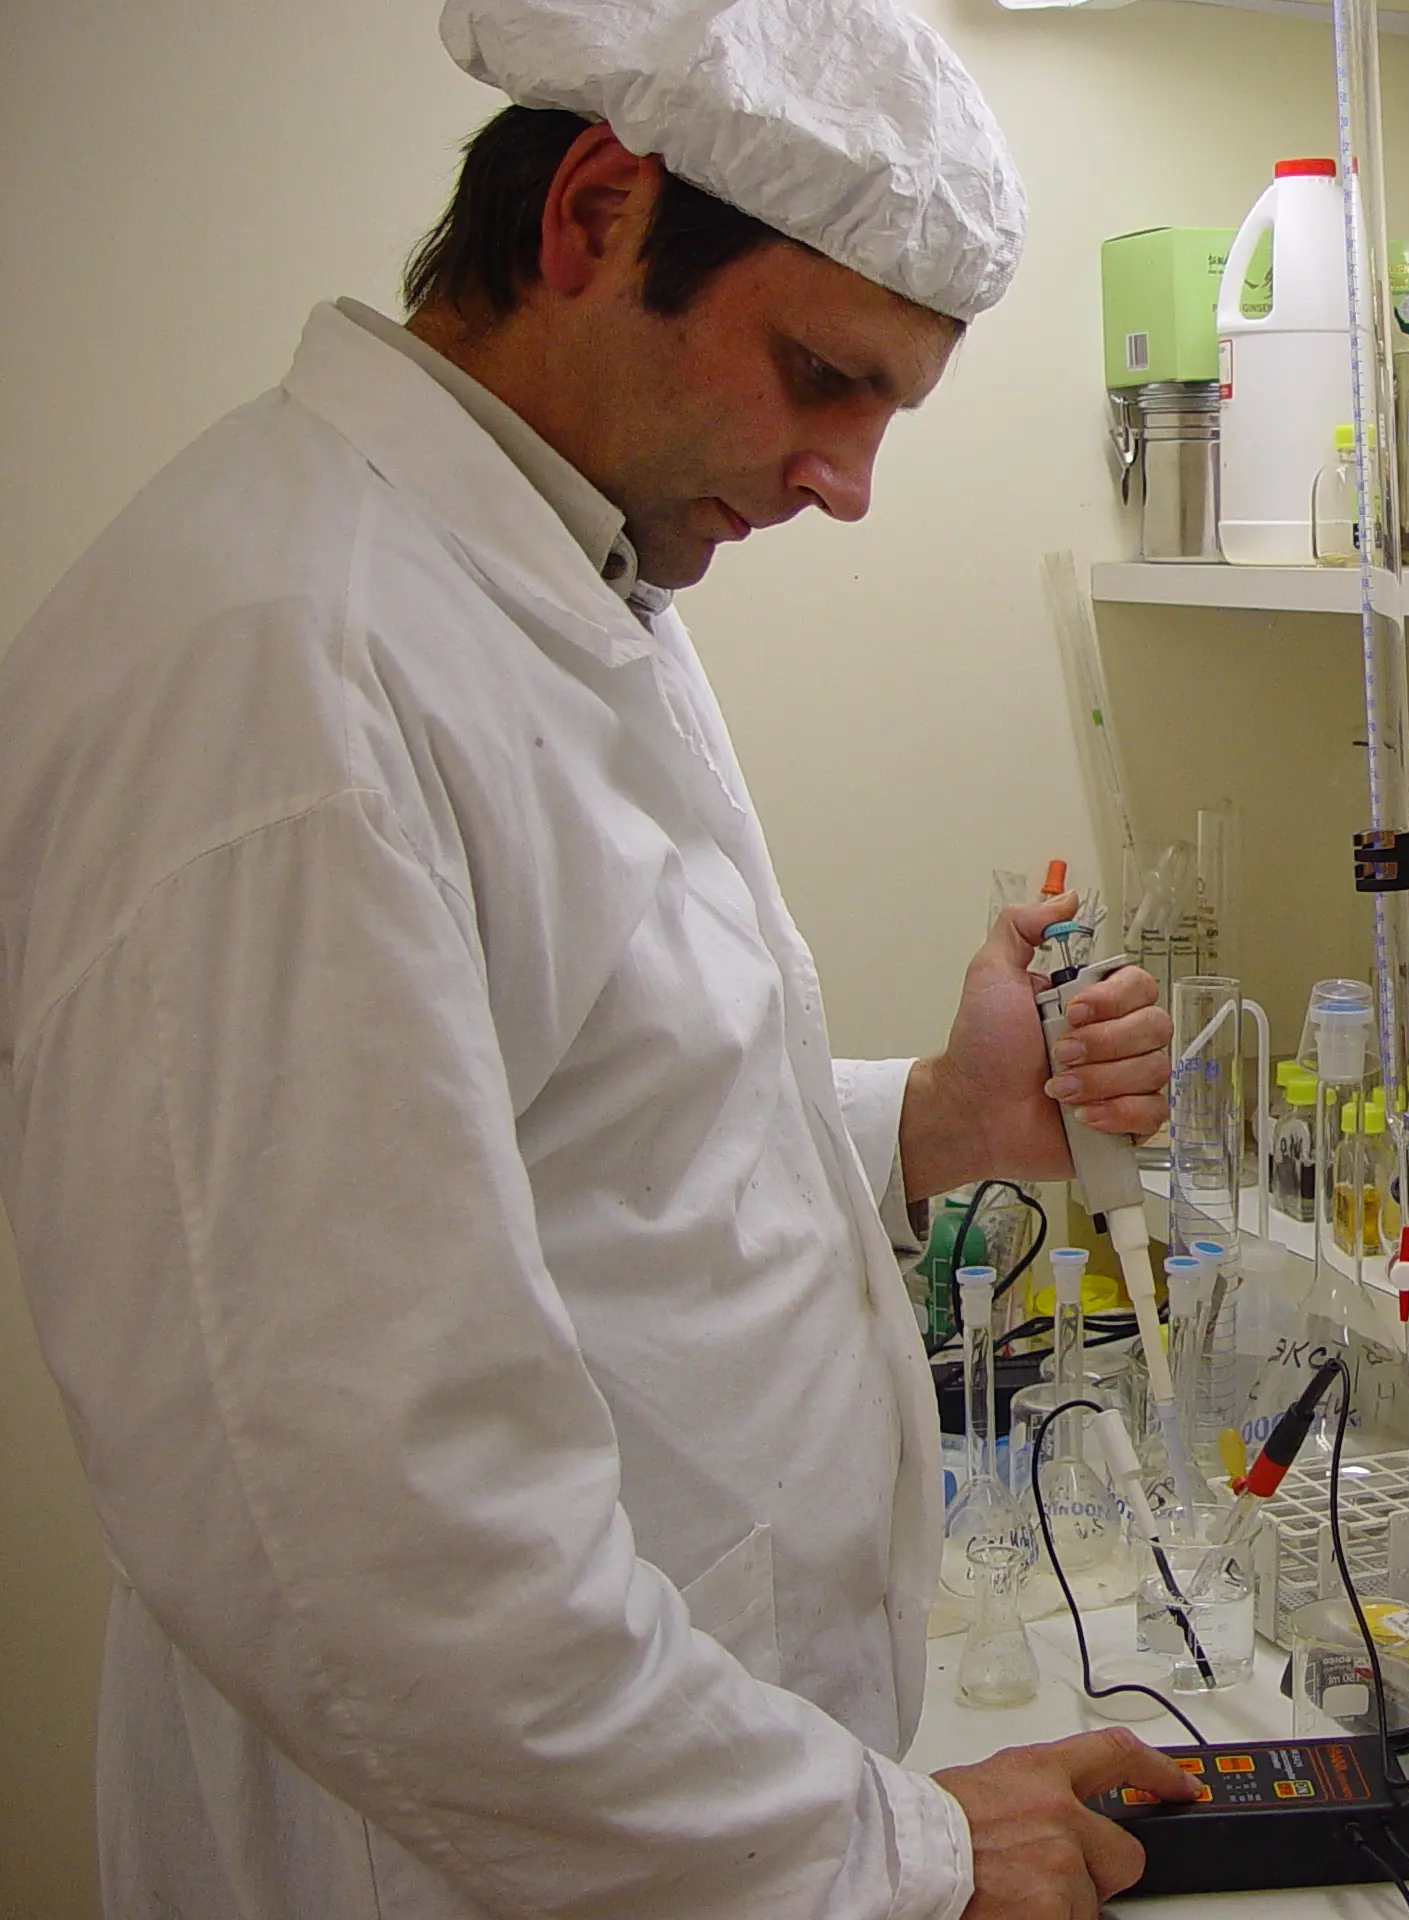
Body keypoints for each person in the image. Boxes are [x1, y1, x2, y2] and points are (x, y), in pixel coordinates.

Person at [0, 1, 1202, 1915]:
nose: (849, 480)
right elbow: (369, 1539)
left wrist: (932, 1119)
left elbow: (559, 1132)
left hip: (691, 1808)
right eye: (822, 377)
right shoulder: (284, 662)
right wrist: (887, 1850)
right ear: (592, 217)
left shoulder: (563, 572)